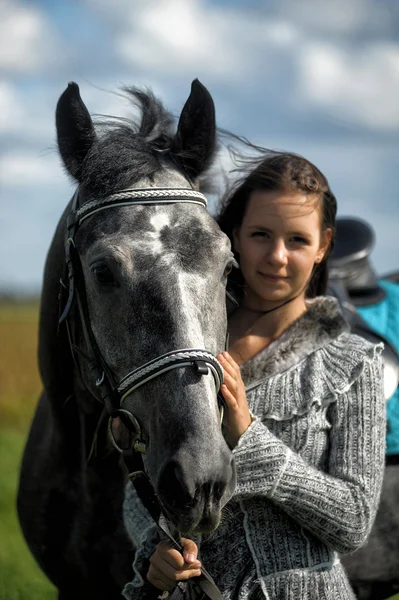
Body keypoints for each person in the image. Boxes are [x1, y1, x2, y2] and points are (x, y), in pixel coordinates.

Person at [122, 151, 386, 600]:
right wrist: (157, 553)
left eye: (298, 240)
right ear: (234, 238)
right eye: (261, 234)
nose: (277, 257)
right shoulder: (184, 351)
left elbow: (354, 521)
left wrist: (249, 439)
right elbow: (137, 492)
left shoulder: (353, 362)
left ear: (324, 246)